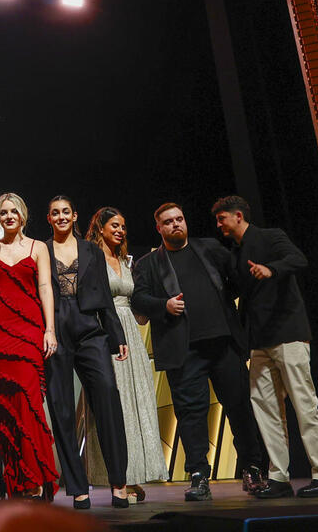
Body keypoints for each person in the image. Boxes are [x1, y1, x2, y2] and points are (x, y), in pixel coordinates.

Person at [130, 203, 265, 501]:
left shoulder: (210, 249)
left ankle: (253, 468)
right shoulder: (149, 264)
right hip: (184, 350)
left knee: (239, 407)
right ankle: (199, 475)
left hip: (223, 344)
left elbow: (236, 279)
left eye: (180, 219)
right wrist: (163, 306)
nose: (176, 224)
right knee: (191, 415)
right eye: (168, 221)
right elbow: (138, 299)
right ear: (159, 228)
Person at [212, 195, 318, 499]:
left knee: (305, 406)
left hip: (288, 334)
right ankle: (279, 477)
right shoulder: (237, 253)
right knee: (266, 409)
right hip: (258, 341)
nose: (219, 225)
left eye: (222, 219)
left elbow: (298, 259)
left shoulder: (271, 237)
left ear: (238, 216)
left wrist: (271, 269)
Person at [0, 193, 59, 499]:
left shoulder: (38, 248)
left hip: (29, 333)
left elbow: (45, 288)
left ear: (23, 215)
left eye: (13, 211)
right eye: (3, 212)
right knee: (6, 411)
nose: (8, 216)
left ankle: (35, 478)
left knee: (29, 405)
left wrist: (50, 330)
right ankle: (16, 482)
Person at [42, 196, 130, 509]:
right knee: (61, 408)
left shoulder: (91, 249)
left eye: (66, 211)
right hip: (55, 332)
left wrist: (115, 333)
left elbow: (104, 294)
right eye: (55, 213)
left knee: (107, 395)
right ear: (49, 218)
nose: (61, 216)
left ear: (74, 216)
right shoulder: (41, 250)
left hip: (90, 330)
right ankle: (78, 488)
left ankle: (118, 482)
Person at [84, 207, 168, 501]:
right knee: (114, 404)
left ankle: (134, 474)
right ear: (100, 228)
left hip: (131, 332)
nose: (120, 230)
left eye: (123, 226)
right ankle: (117, 476)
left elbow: (134, 301)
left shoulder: (124, 260)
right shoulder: (91, 258)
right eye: (114, 226)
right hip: (106, 333)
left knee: (136, 402)